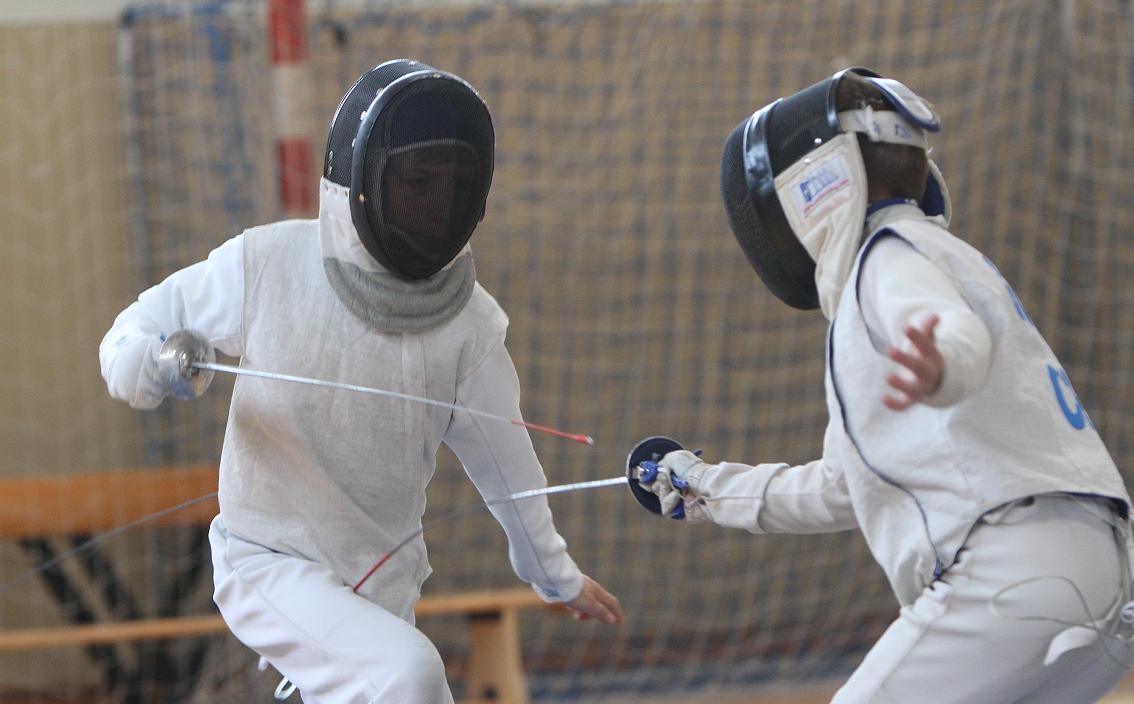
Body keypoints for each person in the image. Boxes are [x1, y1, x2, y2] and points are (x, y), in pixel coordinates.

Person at [100, 59, 622, 704]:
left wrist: (555, 574)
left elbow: (510, 470)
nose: (437, 205)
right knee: (408, 675)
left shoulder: (469, 325)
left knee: (392, 676)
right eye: (418, 182)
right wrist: (151, 366)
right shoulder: (267, 266)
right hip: (266, 562)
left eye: (453, 186)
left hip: (382, 585)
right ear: (361, 180)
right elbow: (129, 335)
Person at [634, 67, 1133, 703]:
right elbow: (841, 488)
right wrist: (700, 486)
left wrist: (941, 365)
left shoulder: (889, 258)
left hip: (1013, 574)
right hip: (1106, 572)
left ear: (818, 187)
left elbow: (949, 333)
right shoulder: (946, 258)